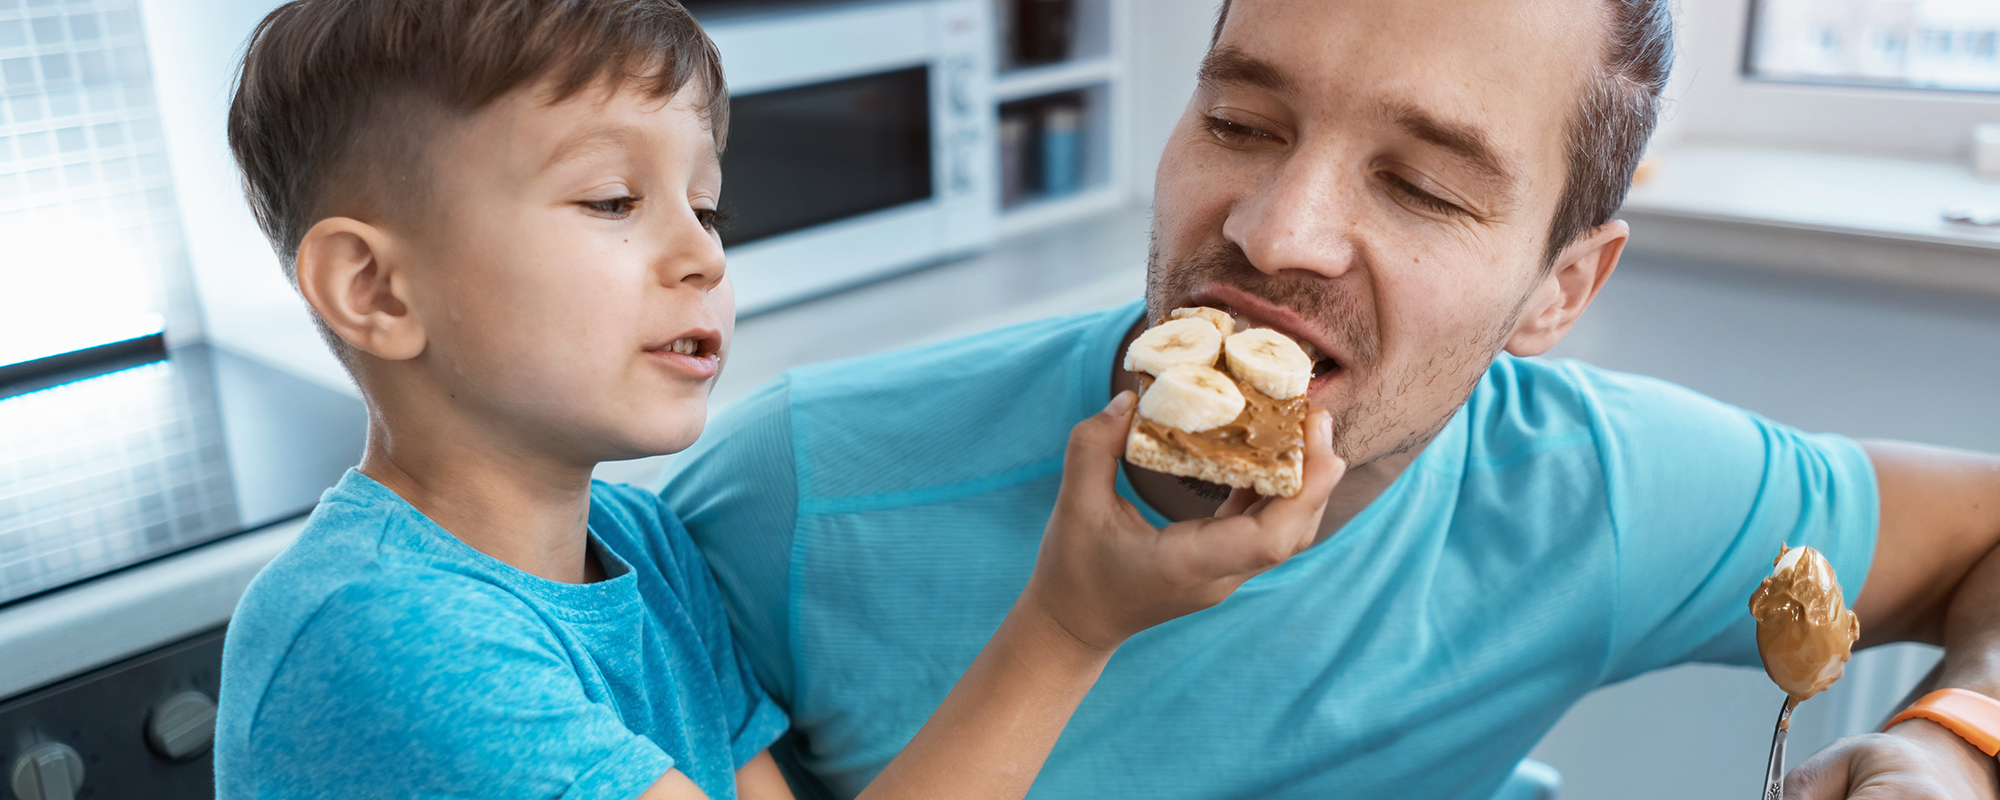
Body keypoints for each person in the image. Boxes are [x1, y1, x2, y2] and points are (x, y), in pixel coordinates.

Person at [663, 0, 2000, 797]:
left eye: (1421, 186)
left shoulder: (1598, 494)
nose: (1275, 229)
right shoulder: (796, 494)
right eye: (1240, 124)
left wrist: (1952, 744)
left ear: (1561, 292)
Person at [211, 1, 1346, 798]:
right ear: (373, 288)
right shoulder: (379, 633)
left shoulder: (640, 549)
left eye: (706, 207)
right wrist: (1067, 620)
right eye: (613, 199)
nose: (703, 256)